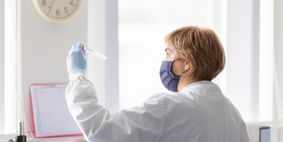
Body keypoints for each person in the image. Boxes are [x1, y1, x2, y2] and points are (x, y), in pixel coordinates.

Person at [66, 26, 250, 142]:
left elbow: (100, 130)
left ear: (187, 64)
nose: (164, 60)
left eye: (169, 54)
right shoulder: (232, 113)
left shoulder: (170, 107)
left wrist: (77, 75)